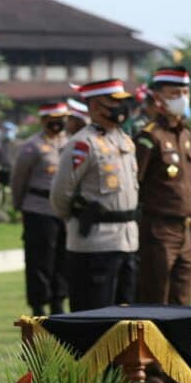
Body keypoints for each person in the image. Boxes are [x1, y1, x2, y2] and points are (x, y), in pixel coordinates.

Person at [49, 79, 139, 311]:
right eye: (114, 102)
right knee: (95, 317)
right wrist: (80, 218)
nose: (122, 108)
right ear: (97, 106)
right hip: (95, 244)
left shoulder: (124, 140)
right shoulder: (82, 144)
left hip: (127, 241)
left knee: (127, 319)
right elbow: (60, 196)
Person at [134, 67, 191, 305]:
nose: (182, 97)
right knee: (155, 297)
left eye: (185, 91)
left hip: (185, 228)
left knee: (183, 299)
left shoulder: (186, 135)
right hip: (158, 229)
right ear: (158, 97)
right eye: (174, 93)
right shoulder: (150, 136)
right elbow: (135, 182)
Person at [10, 102, 70, 315]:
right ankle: (38, 304)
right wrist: (18, 206)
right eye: (53, 118)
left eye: (62, 118)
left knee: (62, 259)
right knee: (39, 260)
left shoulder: (70, 143)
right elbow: (18, 179)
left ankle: (58, 302)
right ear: (44, 120)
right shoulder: (32, 146)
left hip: (64, 211)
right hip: (38, 209)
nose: (58, 123)